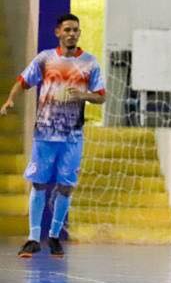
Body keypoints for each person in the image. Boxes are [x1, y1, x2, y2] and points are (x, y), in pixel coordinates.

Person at [0, 13, 106, 258]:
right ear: (58, 32)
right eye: (67, 29)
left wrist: (82, 96)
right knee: (38, 183)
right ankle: (33, 238)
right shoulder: (45, 59)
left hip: (72, 137)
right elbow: (23, 81)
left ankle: (55, 237)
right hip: (45, 135)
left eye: (76, 30)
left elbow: (101, 96)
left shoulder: (90, 63)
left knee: (66, 187)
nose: (72, 34)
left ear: (79, 33)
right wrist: (9, 100)